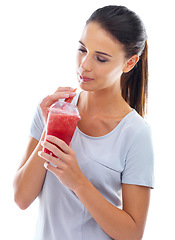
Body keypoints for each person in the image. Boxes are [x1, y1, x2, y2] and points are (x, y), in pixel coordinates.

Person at [13, 5, 154, 240]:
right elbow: (21, 198)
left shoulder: (136, 133)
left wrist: (78, 182)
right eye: (82, 49)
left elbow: (132, 233)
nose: (84, 65)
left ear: (129, 64)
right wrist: (51, 131)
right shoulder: (52, 108)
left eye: (100, 58)